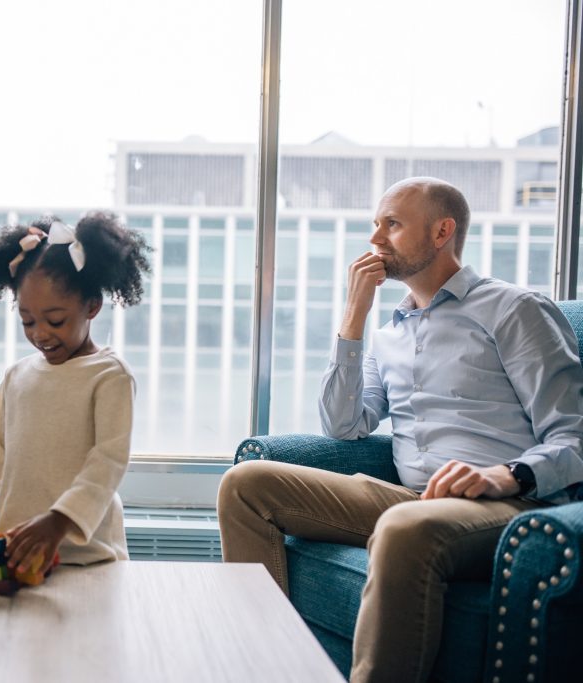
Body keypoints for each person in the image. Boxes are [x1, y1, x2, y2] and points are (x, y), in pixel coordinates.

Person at [217, 177, 583, 682]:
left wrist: (506, 475)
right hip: (409, 498)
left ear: (441, 232)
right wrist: (355, 313)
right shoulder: (390, 332)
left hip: (503, 506)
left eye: (392, 224)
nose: (376, 239)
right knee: (246, 485)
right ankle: (266, 669)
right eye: (375, 225)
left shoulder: (514, 310)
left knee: (403, 527)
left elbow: (574, 436)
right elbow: (344, 423)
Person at [0, 213, 151, 572]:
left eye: (56, 320)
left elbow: (107, 463)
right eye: (28, 321)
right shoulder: (18, 376)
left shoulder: (110, 376)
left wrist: (58, 521)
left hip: (91, 560)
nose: (41, 333)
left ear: (92, 305)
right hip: (20, 555)